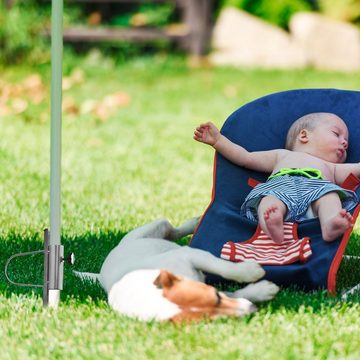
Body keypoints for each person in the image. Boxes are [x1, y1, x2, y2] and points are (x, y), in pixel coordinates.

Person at [194, 112, 359, 244]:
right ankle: (273, 223)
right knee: (269, 200)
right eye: (336, 134)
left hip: (316, 191)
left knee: (330, 197)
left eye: (346, 142)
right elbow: (246, 158)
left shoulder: (332, 167)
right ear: (304, 136)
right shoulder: (282, 156)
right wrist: (218, 141)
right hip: (281, 187)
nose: (344, 143)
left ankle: (330, 223)